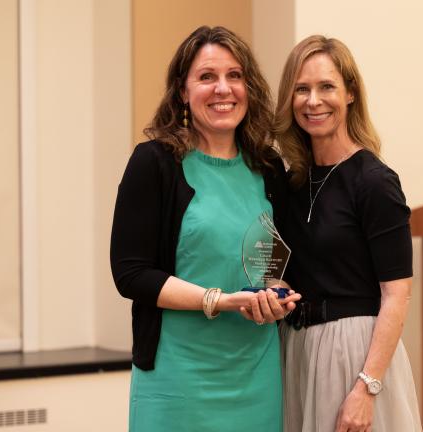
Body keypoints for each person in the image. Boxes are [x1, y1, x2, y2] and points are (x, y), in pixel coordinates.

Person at [110, 26, 300, 432]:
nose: (223, 89)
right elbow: (130, 273)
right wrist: (219, 300)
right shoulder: (154, 163)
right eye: (207, 77)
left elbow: (277, 265)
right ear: (182, 90)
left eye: (235, 76)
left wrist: (277, 293)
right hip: (177, 378)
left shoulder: (269, 169)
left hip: (257, 377)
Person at [274, 35, 422, 432]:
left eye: (327, 87)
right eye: (301, 89)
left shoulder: (374, 182)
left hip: (354, 355)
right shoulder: (290, 183)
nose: (313, 100)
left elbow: (397, 295)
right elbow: (284, 263)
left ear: (351, 93)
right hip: (297, 349)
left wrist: (367, 387)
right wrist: (275, 285)